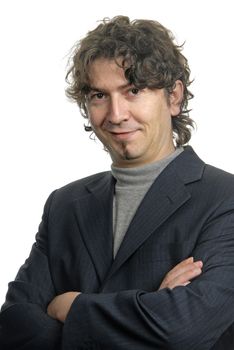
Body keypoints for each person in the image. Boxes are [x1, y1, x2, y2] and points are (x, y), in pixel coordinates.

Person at [1, 15, 234, 350]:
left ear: (174, 98)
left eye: (134, 91)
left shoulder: (225, 200)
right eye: (99, 95)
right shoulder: (64, 205)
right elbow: (13, 325)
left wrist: (71, 306)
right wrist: (147, 310)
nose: (116, 114)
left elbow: (184, 330)